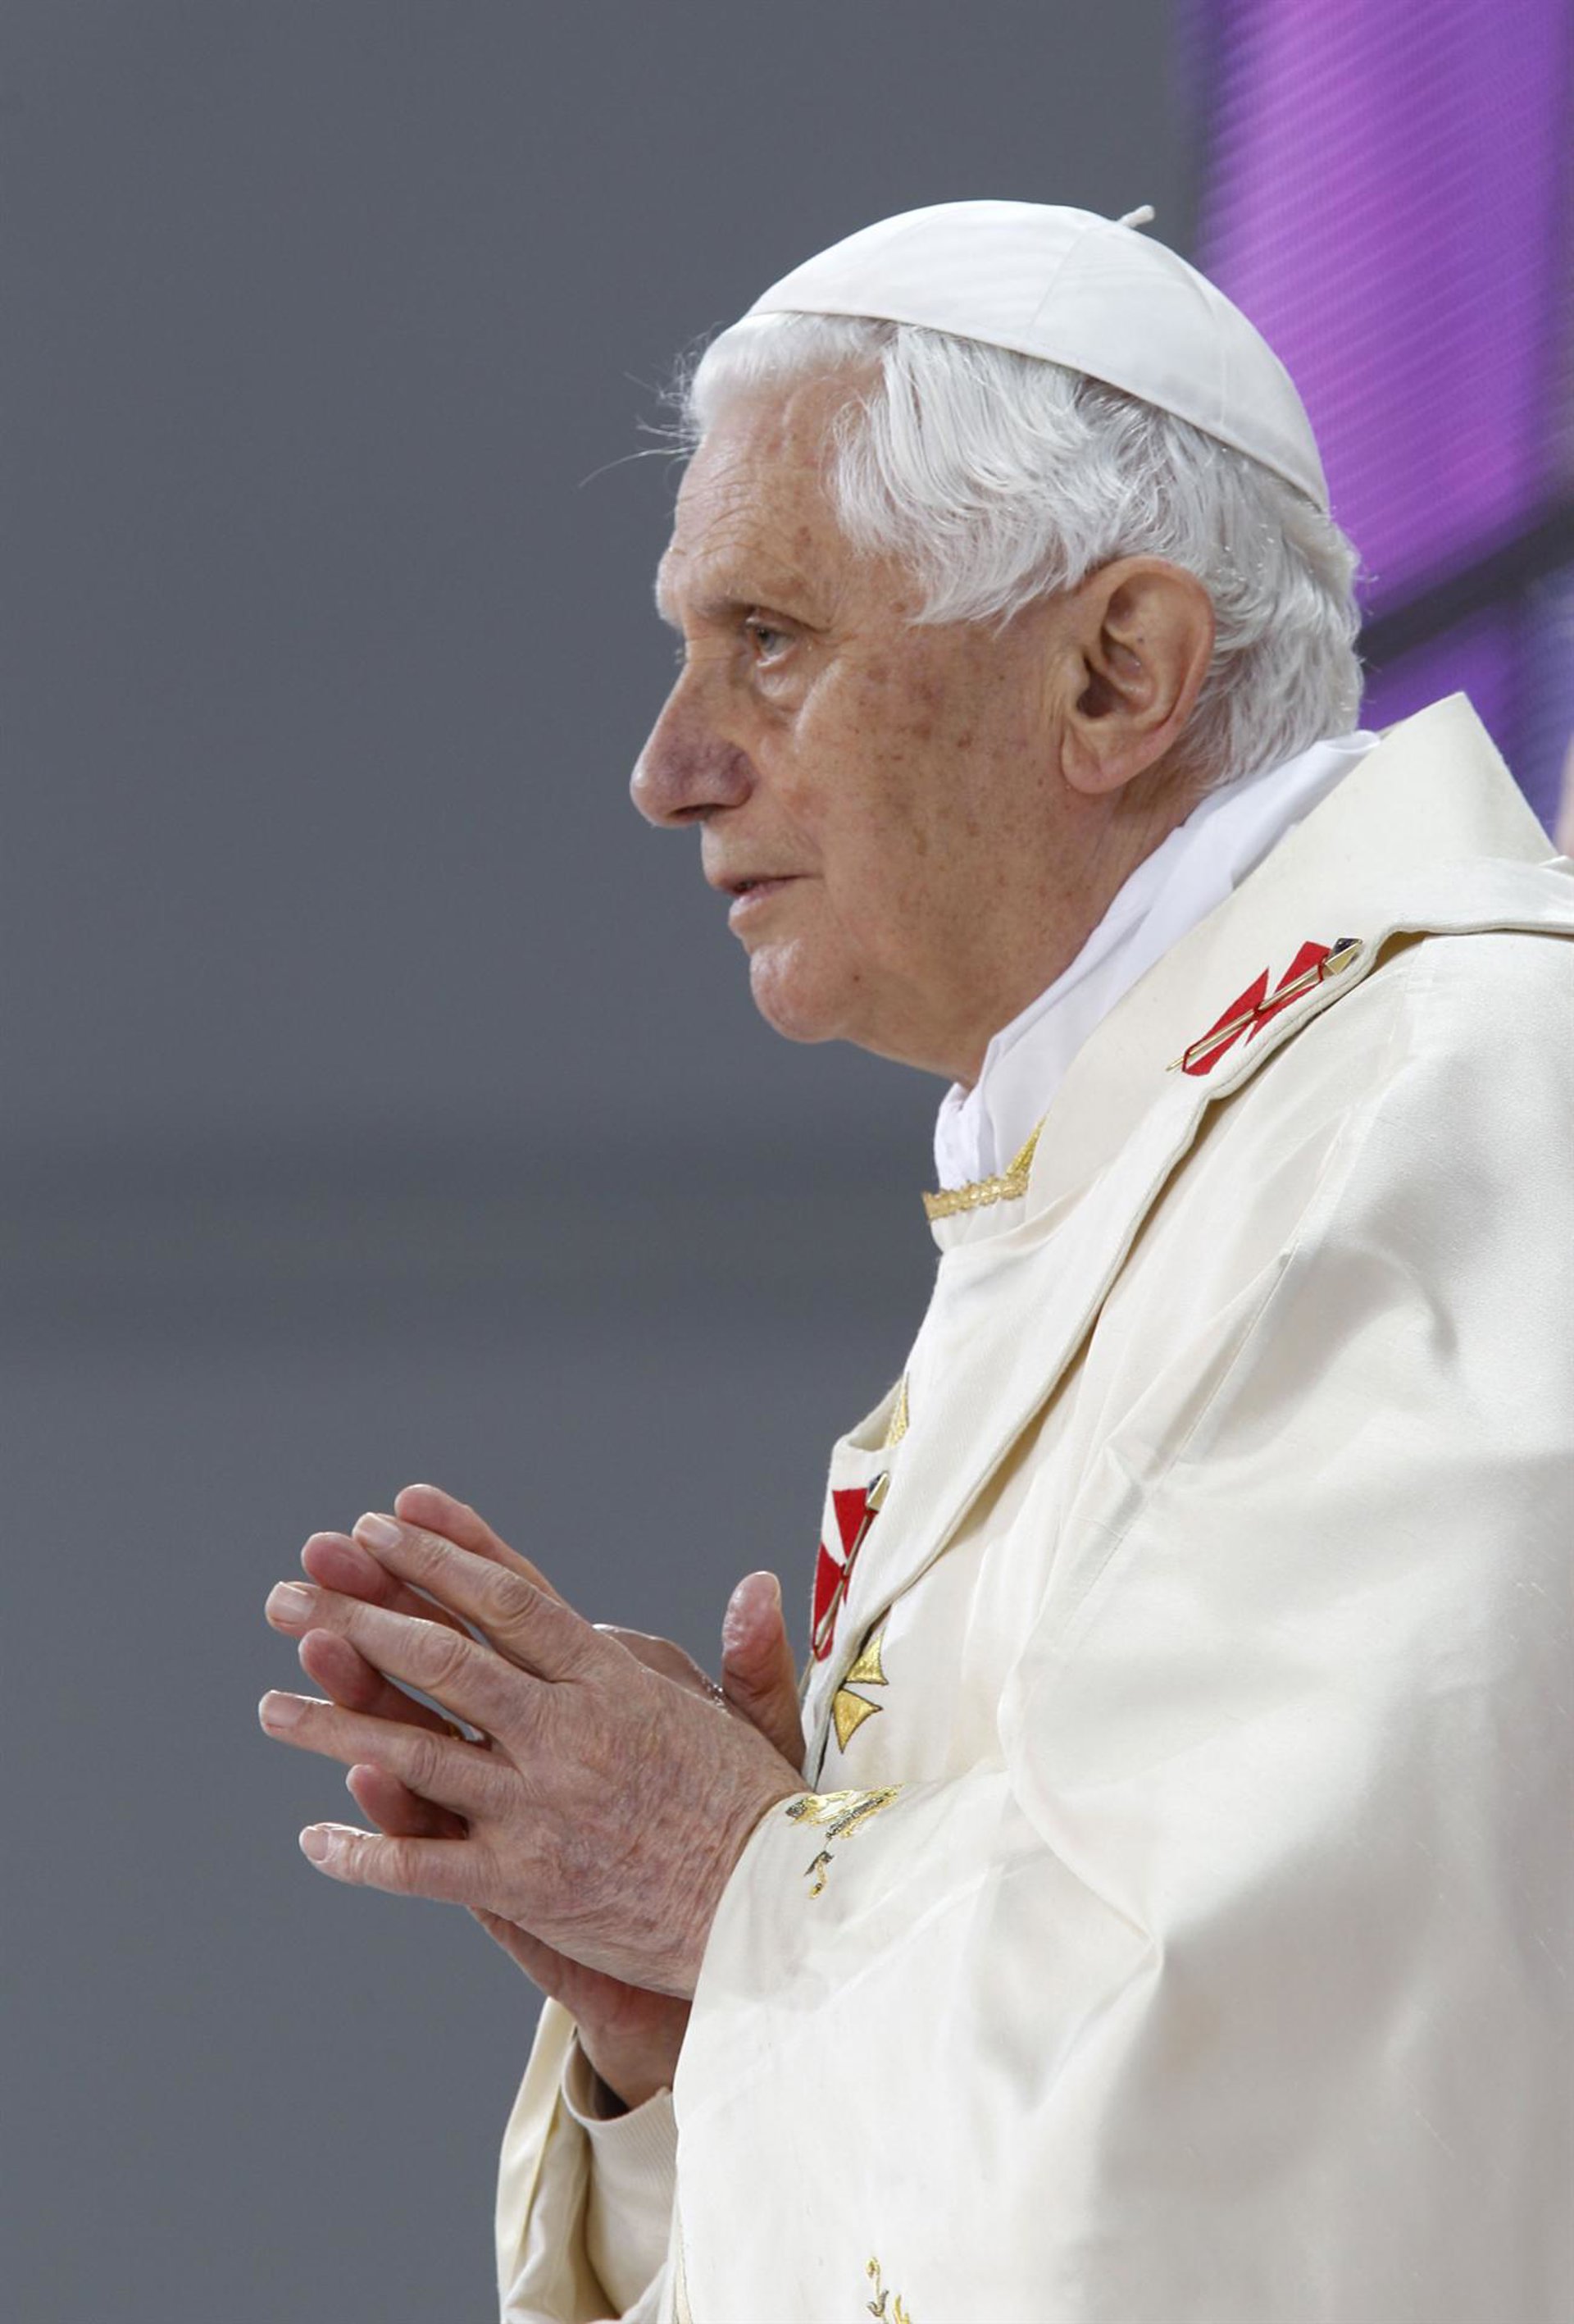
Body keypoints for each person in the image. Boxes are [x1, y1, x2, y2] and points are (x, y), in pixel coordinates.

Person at [261, 203, 1574, 2322]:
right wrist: (696, 2046)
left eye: (771, 639)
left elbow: (1296, 2085)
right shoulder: (1130, 1166)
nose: (668, 767)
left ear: (1114, 672)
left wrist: (735, 1887)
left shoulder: (1461, 1111)